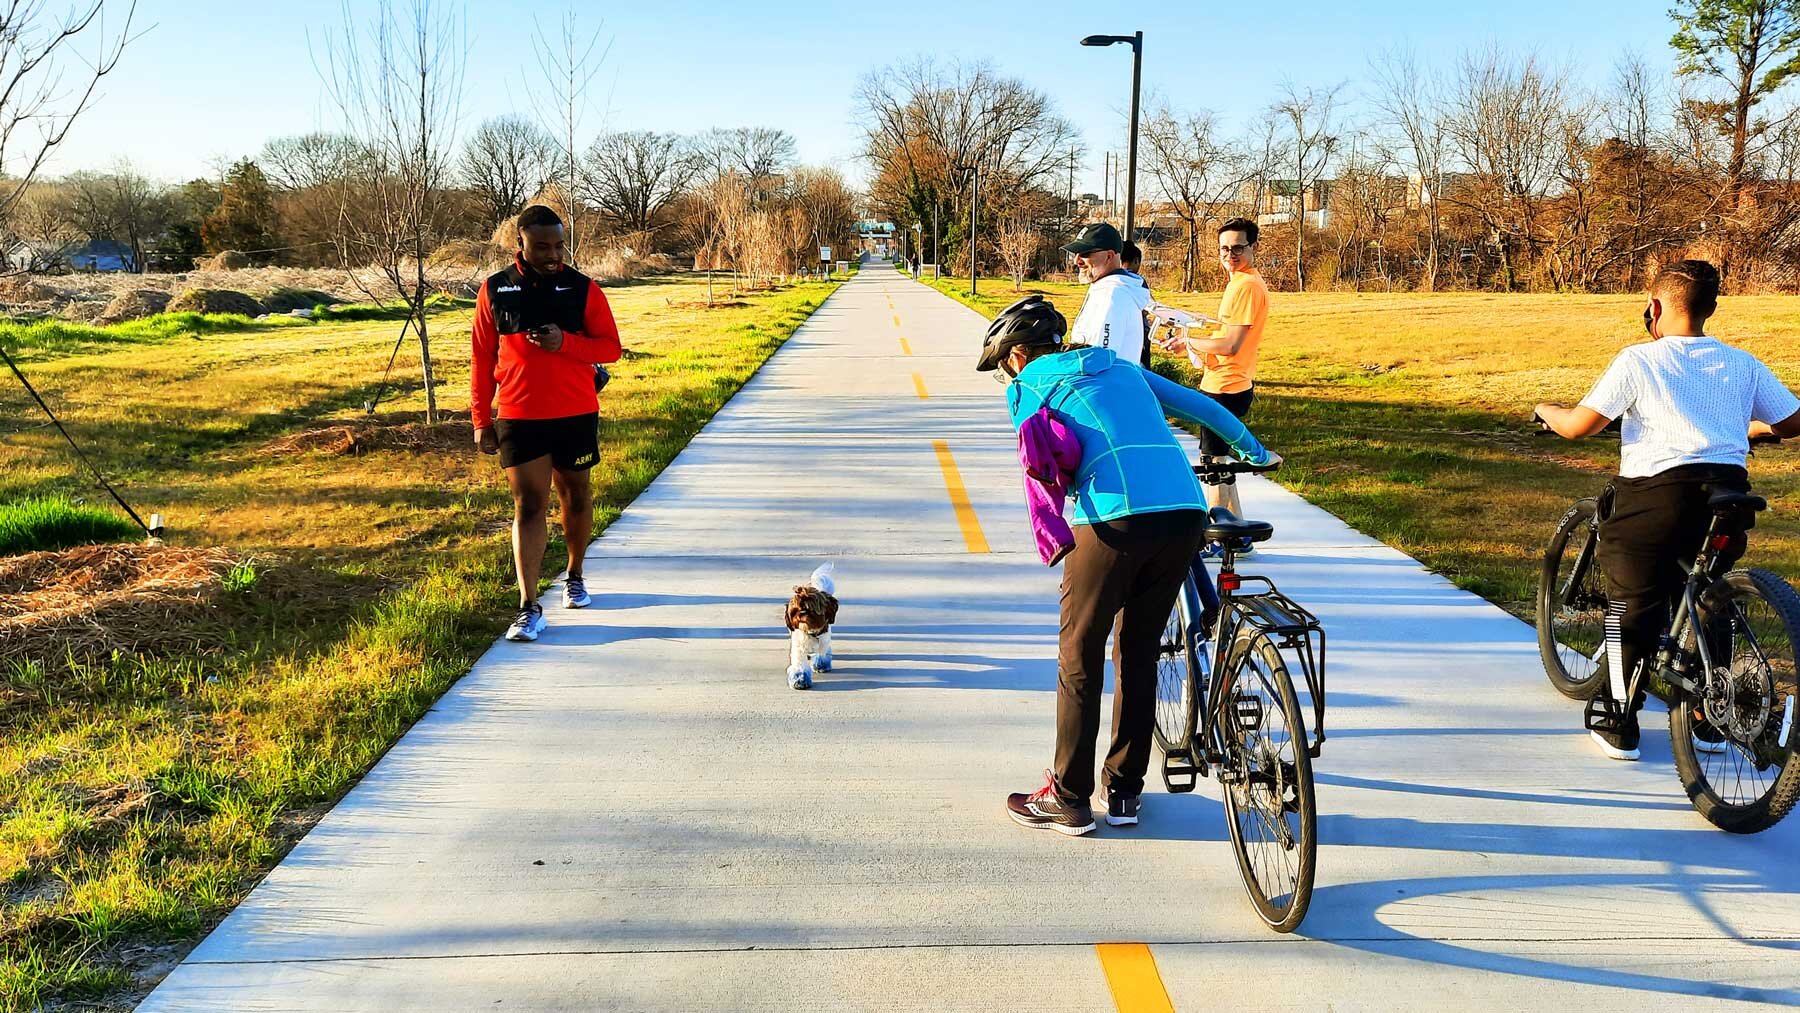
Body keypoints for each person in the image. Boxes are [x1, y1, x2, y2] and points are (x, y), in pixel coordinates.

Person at [977, 295, 1277, 835]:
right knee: (1138, 649)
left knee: (1080, 654)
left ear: (1018, 354)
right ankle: (1124, 795)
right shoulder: (1119, 365)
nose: (1005, 377)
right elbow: (1202, 407)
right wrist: (1255, 452)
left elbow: (1040, 456)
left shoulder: (1028, 385)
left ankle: (1067, 798)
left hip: (1114, 520)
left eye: (1003, 366)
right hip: (1185, 514)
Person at [1535, 259, 1800, 760]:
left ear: (1653, 308)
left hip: (1655, 499)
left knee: (1630, 601)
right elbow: (1791, 421)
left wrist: (1546, 411)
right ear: (1711, 309)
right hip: (1728, 498)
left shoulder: (1639, 361)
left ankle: (1619, 718)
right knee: (1709, 593)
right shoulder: (1742, 363)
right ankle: (1709, 715)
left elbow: (1579, 427)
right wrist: (1756, 430)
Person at [471, 205, 623, 643]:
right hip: (519, 415)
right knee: (529, 505)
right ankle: (528, 606)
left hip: (575, 411)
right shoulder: (496, 290)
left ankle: (574, 575)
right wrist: (482, 419)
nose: (553, 254)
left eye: (559, 245)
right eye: (542, 246)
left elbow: (611, 348)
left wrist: (564, 343)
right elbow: (481, 358)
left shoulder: (582, 289)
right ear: (519, 243)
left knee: (575, 496)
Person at [1160, 218, 1269, 520]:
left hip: (1226, 387)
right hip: (1224, 382)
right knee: (1218, 462)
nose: (1230, 255)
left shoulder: (1246, 286)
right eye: (1224, 248)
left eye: (1238, 248)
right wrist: (1192, 342)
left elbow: (1232, 344)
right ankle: (1235, 530)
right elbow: (1224, 338)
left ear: (1253, 247)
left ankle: (1220, 534)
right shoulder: (1240, 282)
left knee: (1213, 466)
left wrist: (1189, 340)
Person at [1063, 222, 1153, 368]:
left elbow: (1099, 360)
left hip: (1104, 388)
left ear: (1109, 256)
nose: (1076, 261)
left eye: (1085, 253)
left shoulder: (1113, 295)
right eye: (1076, 253)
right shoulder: (1107, 288)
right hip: (1109, 385)